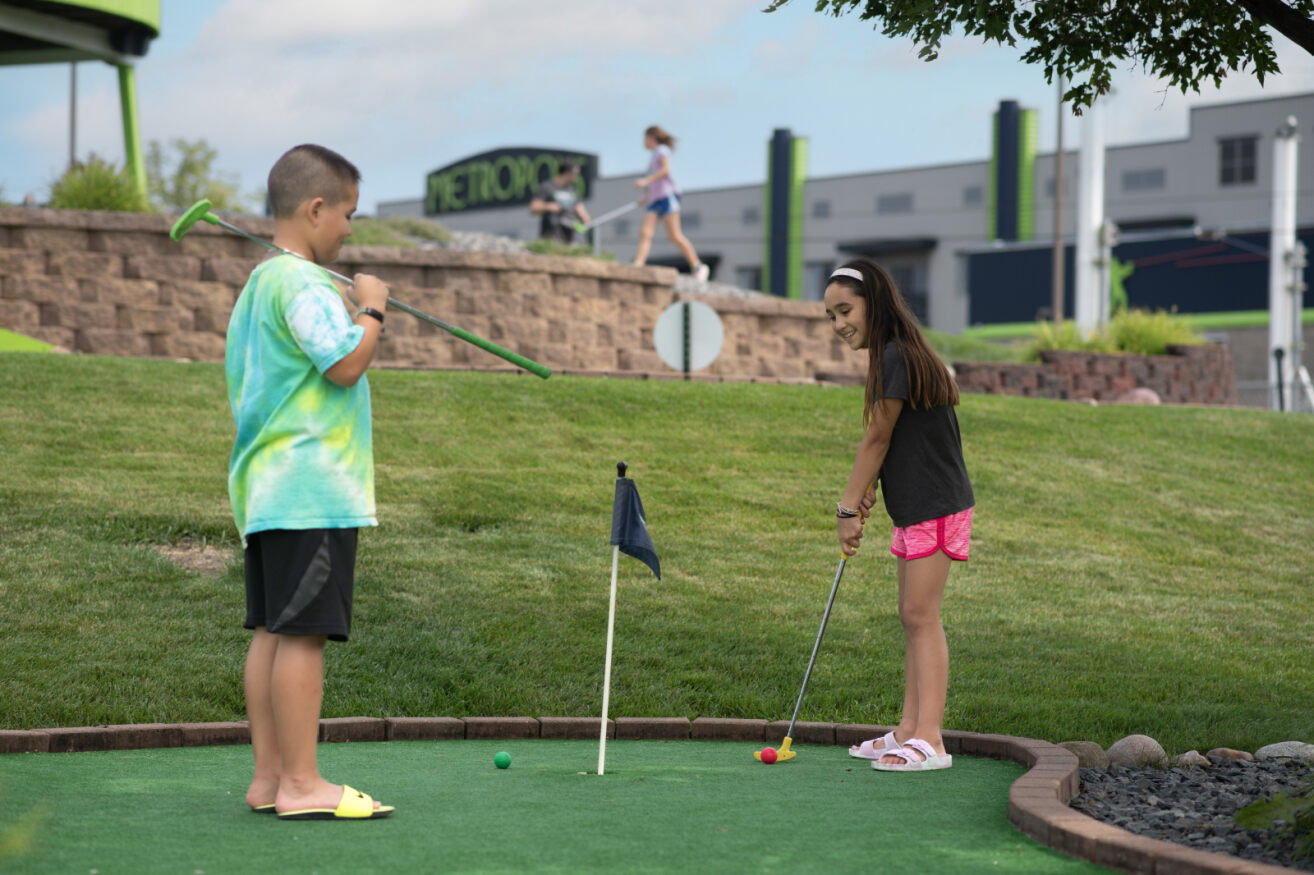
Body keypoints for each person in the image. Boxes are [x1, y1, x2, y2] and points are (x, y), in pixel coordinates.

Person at [226, 143, 394, 820]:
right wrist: (373, 309)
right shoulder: (298, 283)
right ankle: (301, 782)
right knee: (303, 635)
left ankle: (270, 779)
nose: (351, 229)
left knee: (271, 628)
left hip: (269, 490)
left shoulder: (263, 284)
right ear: (316, 208)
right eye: (348, 214)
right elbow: (344, 364)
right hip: (310, 487)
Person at [823, 260, 975, 773]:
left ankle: (930, 739)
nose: (839, 323)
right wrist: (870, 488)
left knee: (920, 616)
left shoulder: (896, 355)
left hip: (935, 504)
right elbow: (901, 441)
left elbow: (878, 436)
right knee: (910, 617)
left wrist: (847, 506)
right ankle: (907, 730)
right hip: (915, 504)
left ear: (875, 303)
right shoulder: (894, 355)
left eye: (846, 309)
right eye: (831, 315)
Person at [632, 125, 710, 282]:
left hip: (666, 197)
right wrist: (646, 195)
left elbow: (665, 171)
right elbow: (656, 180)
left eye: (645, 138)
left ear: (651, 137)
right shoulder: (654, 155)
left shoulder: (662, 150)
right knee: (645, 232)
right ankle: (638, 264)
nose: (643, 142)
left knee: (674, 235)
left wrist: (645, 181)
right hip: (654, 199)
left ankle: (697, 266)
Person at [529, 161, 591, 245]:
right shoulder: (547, 186)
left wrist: (586, 221)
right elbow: (533, 208)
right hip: (550, 238)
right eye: (575, 174)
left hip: (569, 238)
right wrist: (548, 206)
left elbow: (581, 210)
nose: (577, 177)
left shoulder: (573, 189)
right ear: (566, 173)